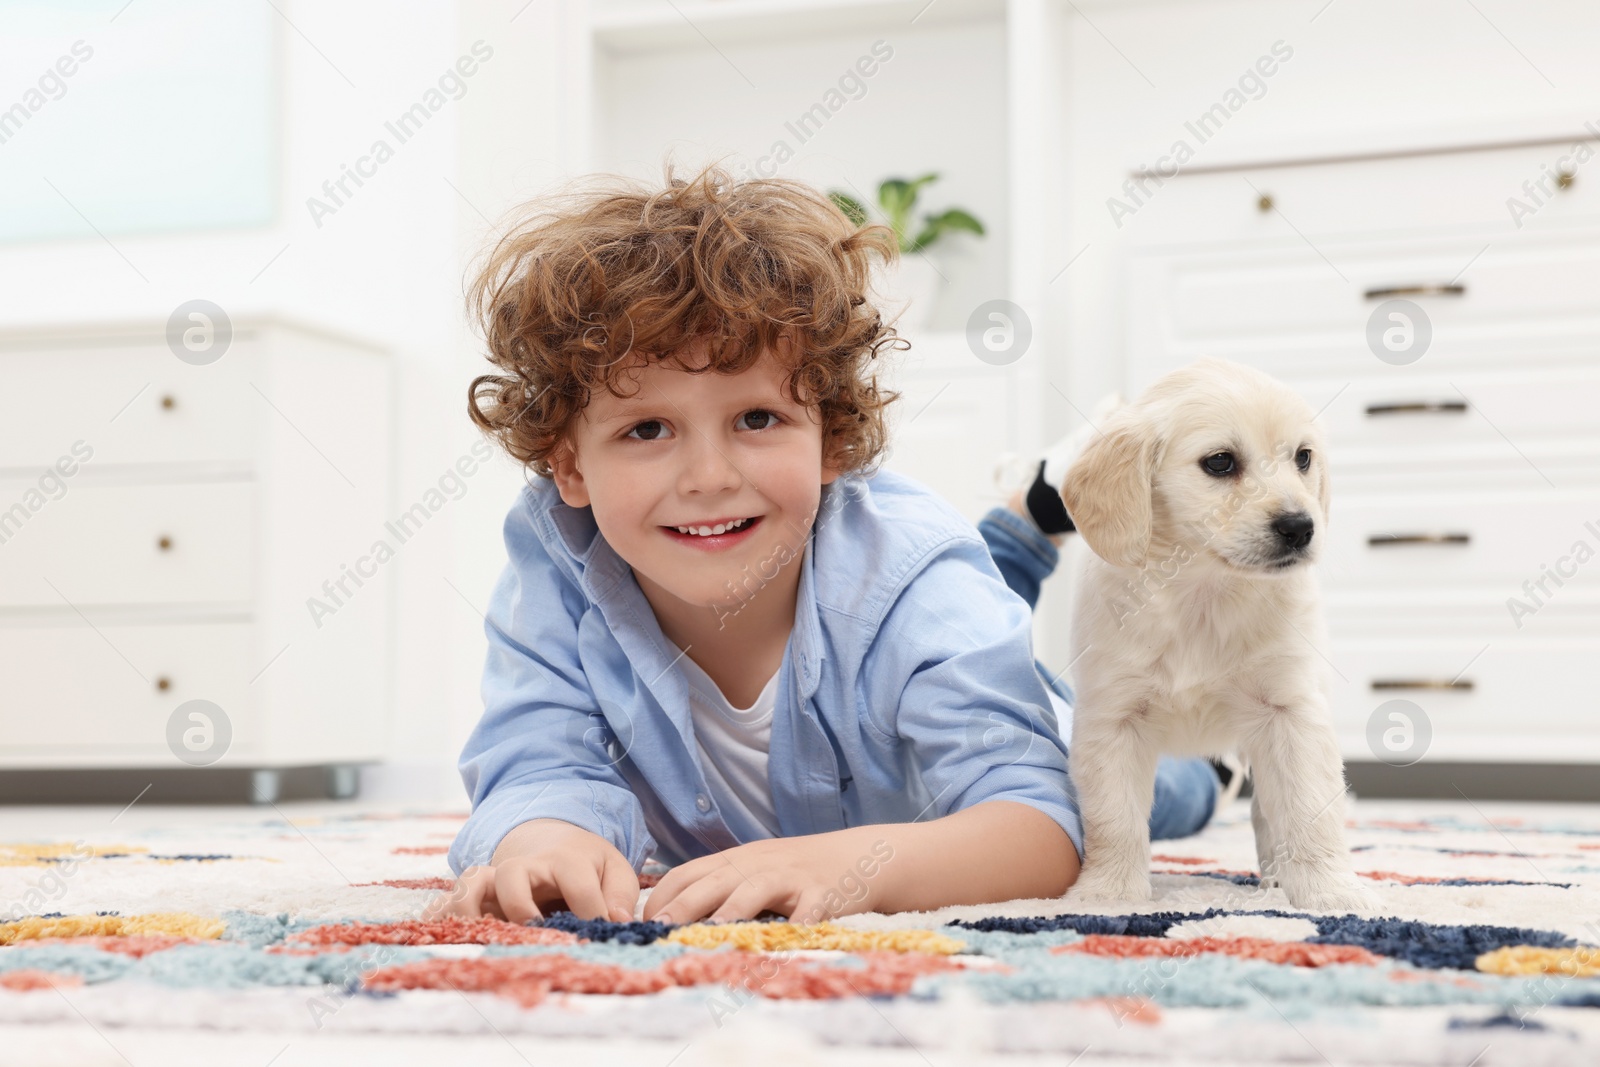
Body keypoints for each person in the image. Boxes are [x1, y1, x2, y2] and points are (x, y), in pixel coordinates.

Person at [436, 161, 1228, 928]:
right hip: (922, 643)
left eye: (757, 418)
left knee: (1149, 779)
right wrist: (546, 837)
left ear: (831, 441)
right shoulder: (556, 554)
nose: (709, 477)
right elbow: (537, 753)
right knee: (960, 629)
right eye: (647, 428)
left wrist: (844, 867)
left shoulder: (909, 568)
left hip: (972, 664)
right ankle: (1014, 539)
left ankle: (1192, 749)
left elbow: (1040, 824)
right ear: (570, 465)